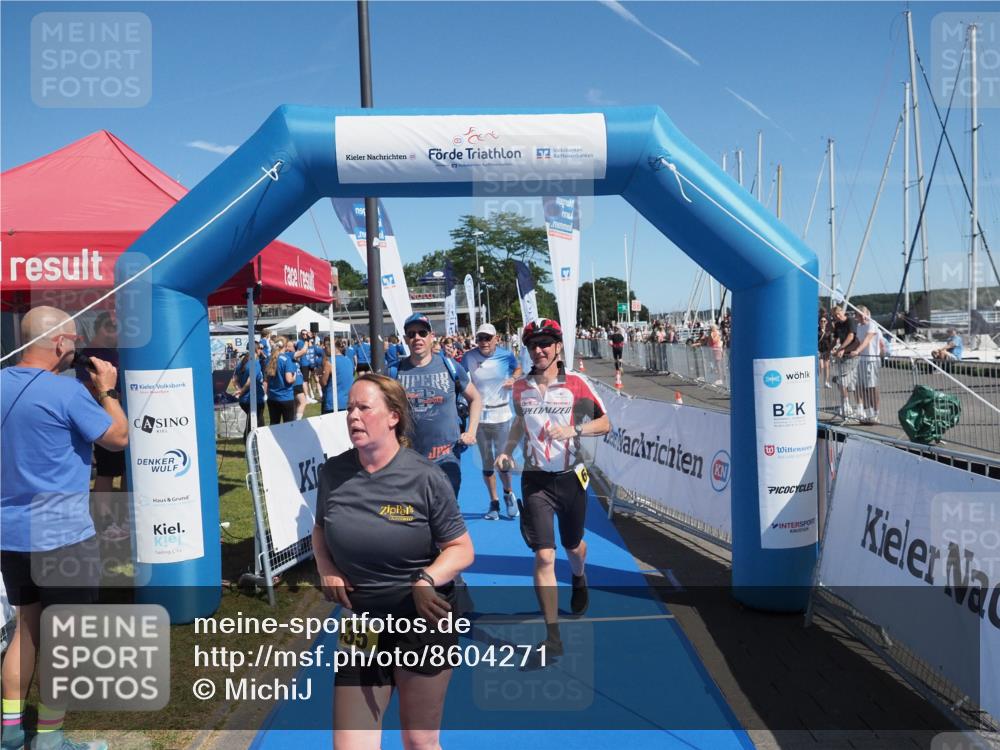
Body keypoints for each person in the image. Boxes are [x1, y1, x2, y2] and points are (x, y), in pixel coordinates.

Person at [312, 374, 474, 750]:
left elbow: (462, 548)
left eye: (364, 407)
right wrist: (327, 568)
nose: (353, 415)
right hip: (360, 624)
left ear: (393, 417)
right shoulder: (333, 473)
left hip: (421, 621)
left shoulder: (426, 477)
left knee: (419, 741)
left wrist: (426, 579)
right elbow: (320, 531)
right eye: (349, 407)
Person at [1, 306, 128, 750]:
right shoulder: (66, 392)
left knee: (27, 626)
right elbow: (118, 437)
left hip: (11, 534)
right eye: (73, 340)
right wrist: (108, 391)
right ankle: (51, 739)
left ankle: (11, 730)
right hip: (64, 538)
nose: (76, 349)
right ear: (59, 343)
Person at [495, 318, 610, 658]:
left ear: (558, 346)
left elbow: (605, 423)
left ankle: (579, 577)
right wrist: (506, 450)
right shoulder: (520, 388)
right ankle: (552, 636)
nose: (539, 349)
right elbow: (518, 422)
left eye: (546, 343)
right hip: (535, 481)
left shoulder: (575, 385)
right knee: (544, 554)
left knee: (573, 547)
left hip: (571, 478)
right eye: (533, 344)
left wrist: (575, 431)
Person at [395, 314, 481, 499]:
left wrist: (471, 431)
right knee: (415, 518)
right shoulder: (395, 371)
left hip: (446, 456)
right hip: (408, 459)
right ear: (405, 339)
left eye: (422, 332)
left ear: (431, 336)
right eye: (411, 334)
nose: (416, 337)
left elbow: (475, 398)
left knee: (445, 516)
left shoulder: (449, 366)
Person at [76, 311, 128, 543]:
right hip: (104, 421)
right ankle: (105, 521)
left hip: (125, 419)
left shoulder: (115, 353)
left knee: (128, 470)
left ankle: (127, 518)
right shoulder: (90, 356)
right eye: (115, 328)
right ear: (104, 328)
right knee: (107, 472)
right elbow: (89, 390)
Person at [461, 323, 522, 520]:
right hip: (479, 417)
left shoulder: (505, 355)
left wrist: (513, 379)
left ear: (496, 338)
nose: (484, 342)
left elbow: (518, 368)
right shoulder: (469, 357)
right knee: (486, 464)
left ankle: (508, 493)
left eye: (488, 338)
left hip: (502, 415)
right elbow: (460, 378)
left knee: (502, 461)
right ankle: (494, 502)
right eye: (480, 338)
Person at [851, 306, 882, 425]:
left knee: (872, 387)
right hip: (862, 360)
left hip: (871, 360)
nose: (859, 316)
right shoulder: (859, 327)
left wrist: (857, 351)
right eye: (858, 314)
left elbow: (867, 340)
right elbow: (858, 342)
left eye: (860, 313)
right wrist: (844, 350)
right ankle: (868, 414)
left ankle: (875, 414)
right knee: (862, 387)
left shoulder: (872, 324)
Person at [232, 342, 267, 439]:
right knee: (254, 426)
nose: (261, 350)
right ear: (256, 349)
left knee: (257, 424)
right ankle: (250, 447)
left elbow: (234, 380)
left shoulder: (243, 362)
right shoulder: (255, 363)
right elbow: (250, 381)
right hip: (253, 399)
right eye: (260, 348)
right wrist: (241, 391)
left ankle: (257, 446)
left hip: (245, 400)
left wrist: (239, 390)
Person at [830, 306, 859, 420]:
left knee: (842, 381)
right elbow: (835, 339)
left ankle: (851, 406)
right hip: (843, 356)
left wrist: (841, 349)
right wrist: (829, 351)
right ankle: (846, 404)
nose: (837, 316)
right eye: (835, 315)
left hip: (852, 354)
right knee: (840, 381)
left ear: (842, 311)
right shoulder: (837, 324)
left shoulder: (850, 320)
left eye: (838, 314)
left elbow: (851, 336)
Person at [264, 337, 296, 424]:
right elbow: (289, 379)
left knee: (274, 424)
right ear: (285, 346)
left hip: (272, 398)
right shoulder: (286, 359)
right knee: (289, 426)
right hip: (286, 397)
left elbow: (265, 380)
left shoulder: (268, 359)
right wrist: (294, 378)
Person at [320, 338, 354, 414]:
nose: (324, 349)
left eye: (326, 347)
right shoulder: (348, 360)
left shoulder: (329, 362)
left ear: (331, 347)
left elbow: (323, 383)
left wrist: (319, 376)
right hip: (347, 401)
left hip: (332, 403)